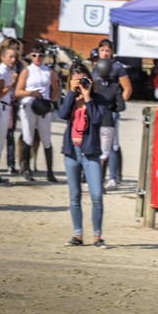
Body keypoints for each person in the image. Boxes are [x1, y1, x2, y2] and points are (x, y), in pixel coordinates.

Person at [58, 62, 108, 247]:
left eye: (83, 77)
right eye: (76, 77)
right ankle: (77, 235)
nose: (80, 81)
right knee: (75, 195)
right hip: (72, 151)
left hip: (90, 153)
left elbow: (96, 119)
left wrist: (87, 96)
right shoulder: (69, 97)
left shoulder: (99, 99)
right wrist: (72, 92)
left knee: (96, 195)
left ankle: (97, 236)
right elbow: (62, 114)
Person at [15, 45, 60, 182]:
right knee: (28, 136)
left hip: (43, 105)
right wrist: (31, 93)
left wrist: (51, 102)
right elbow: (18, 91)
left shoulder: (49, 71)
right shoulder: (27, 71)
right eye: (34, 55)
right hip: (29, 103)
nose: (38, 58)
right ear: (31, 56)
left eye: (40, 55)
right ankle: (27, 168)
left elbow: (56, 88)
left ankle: (50, 171)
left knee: (46, 138)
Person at [93, 39, 132, 189]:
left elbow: (127, 89)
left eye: (107, 50)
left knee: (113, 144)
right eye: (102, 50)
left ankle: (113, 177)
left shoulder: (117, 68)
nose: (105, 53)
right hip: (98, 110)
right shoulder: (96, 67)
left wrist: (118, 106)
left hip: (111, 110)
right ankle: (97, 174)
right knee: (99, 143)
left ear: (112, 52)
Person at [0, 38, 24, 174]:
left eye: (14, 57)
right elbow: (0, 92)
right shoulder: (1, 72)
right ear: (3, 57)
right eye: (10, 57)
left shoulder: (6, 70)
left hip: (4, 106)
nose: (13, 60)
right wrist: (13, 82)